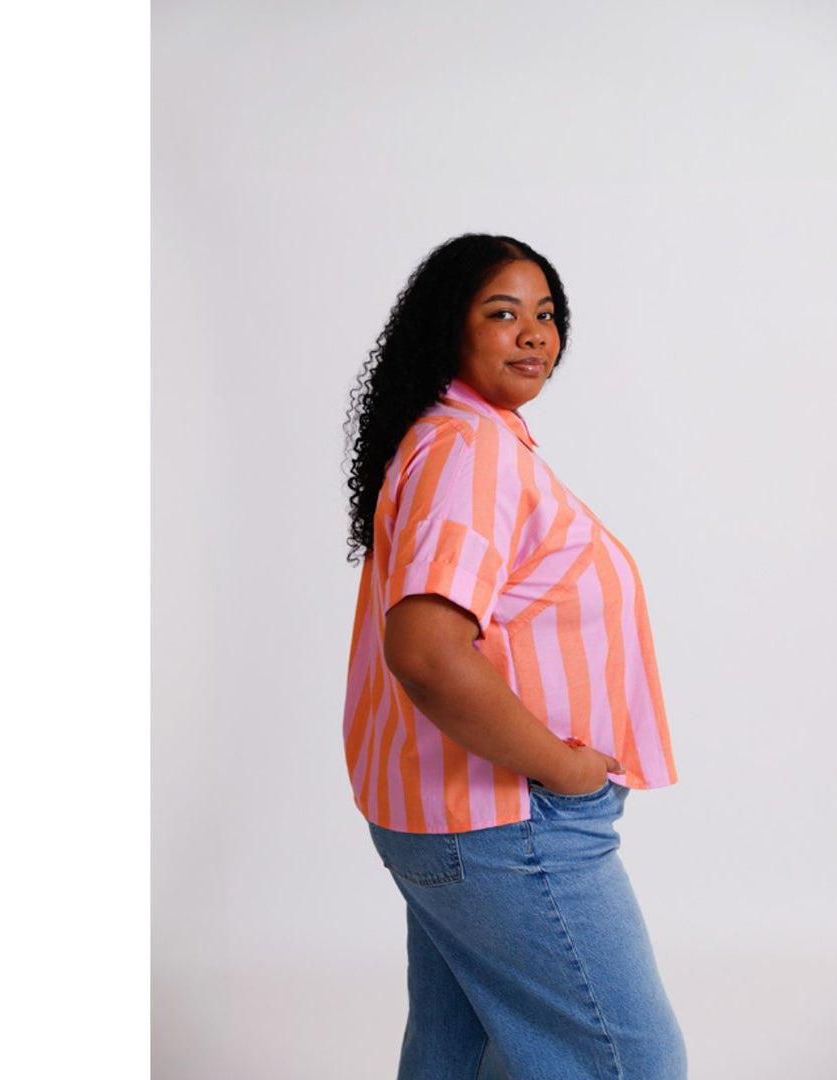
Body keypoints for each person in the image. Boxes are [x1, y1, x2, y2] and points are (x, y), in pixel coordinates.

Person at [342, 233, 686, 1079]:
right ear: (447, 331)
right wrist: (564, 771)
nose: (534, 334)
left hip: (451, 818)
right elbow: (425, 651)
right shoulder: (470, 449)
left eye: (547, 315)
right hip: (507, 816)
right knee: (631, 1063)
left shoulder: (454, 437)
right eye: (503, 313)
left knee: (465, 1059)